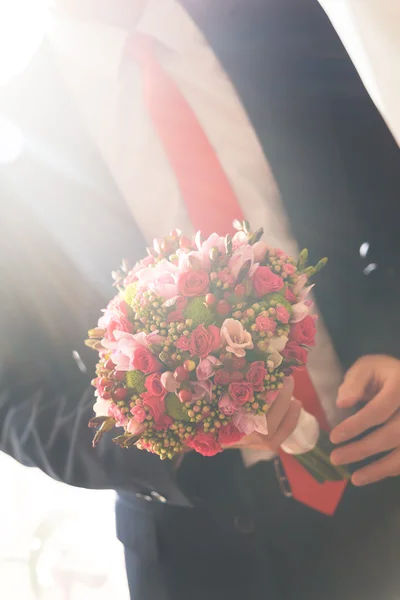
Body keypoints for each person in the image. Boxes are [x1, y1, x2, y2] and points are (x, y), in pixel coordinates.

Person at [1, 0, 400, 598]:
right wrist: (166, 433)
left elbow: (389, 199)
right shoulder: (19, 134)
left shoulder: (277, 16)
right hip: (201, 555)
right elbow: (17, 401)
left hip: (381, 467)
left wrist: (392, 341)